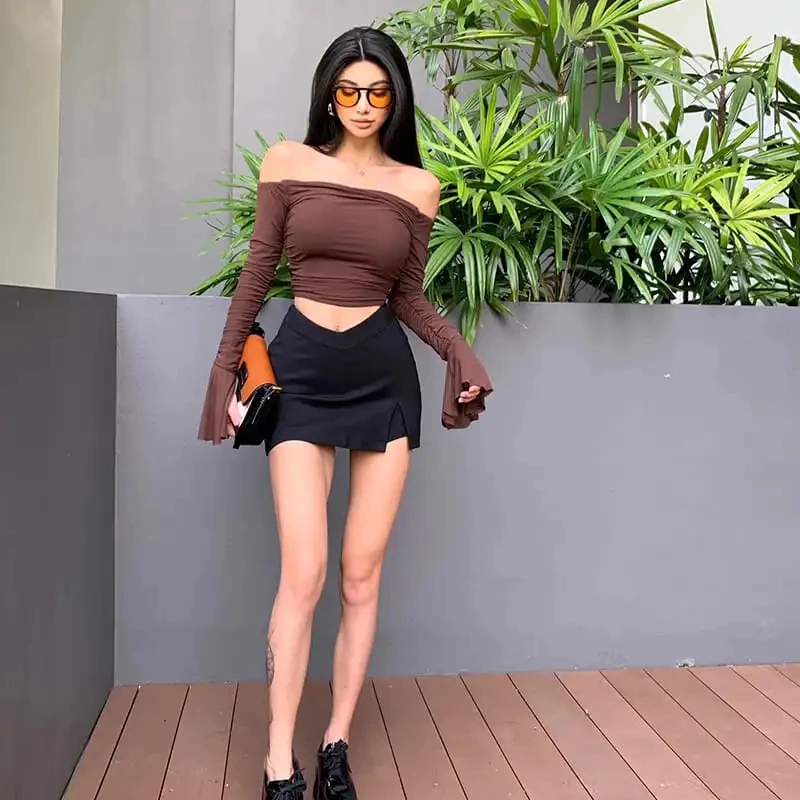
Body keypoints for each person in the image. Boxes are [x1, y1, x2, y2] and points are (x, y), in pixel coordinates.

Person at [197, 25, 492, 800]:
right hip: (299, 377)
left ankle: (335, 745)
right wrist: (225, 370)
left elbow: (408, 297)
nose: (363, 104)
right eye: (350, 90)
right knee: (304, 572)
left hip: (381, 382)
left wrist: (457, 350)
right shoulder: (290, 163)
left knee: (360, 578)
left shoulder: (417, 187)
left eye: (378, 92)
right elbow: (258, 271)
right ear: (330, 96)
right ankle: (278, 760)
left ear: (396, 100)